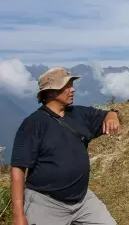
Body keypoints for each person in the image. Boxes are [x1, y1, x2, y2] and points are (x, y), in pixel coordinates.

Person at [10, 67, 120, 225]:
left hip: (82, 200)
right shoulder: (33, 124)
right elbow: (18, 170)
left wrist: (112, 115)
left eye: (71, 85)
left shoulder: (79, 114)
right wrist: (18, 216)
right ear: (51, 93)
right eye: (67, 86)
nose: (73, 89)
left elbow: (106, 115)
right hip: (46, 204)